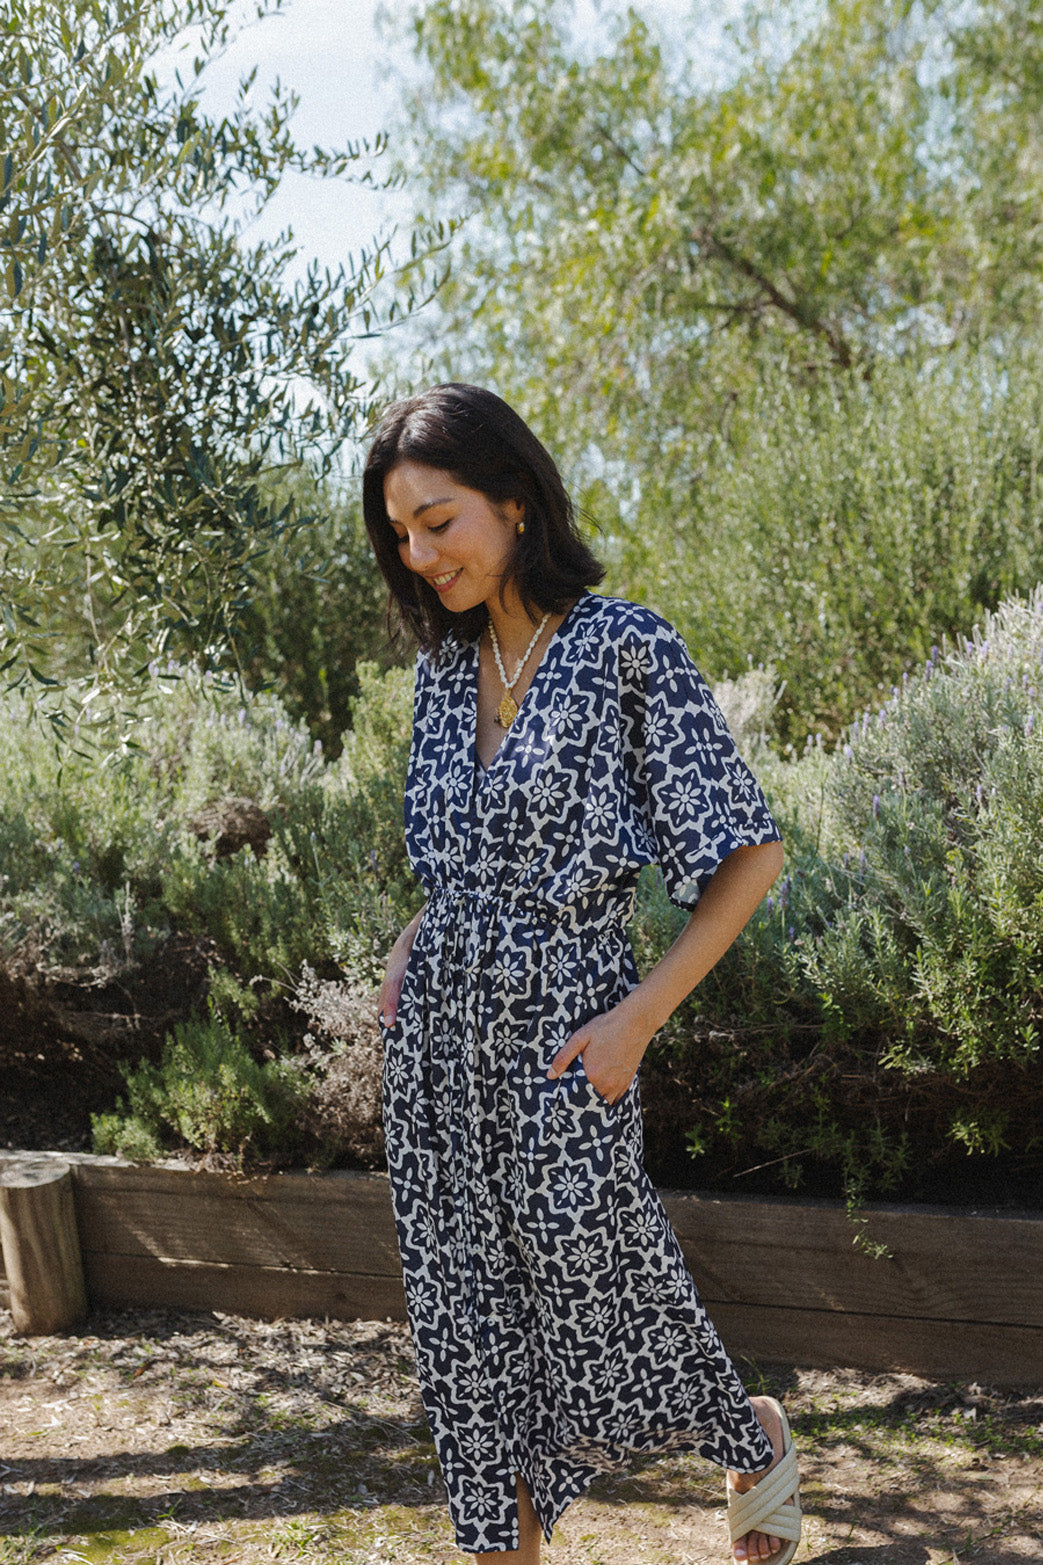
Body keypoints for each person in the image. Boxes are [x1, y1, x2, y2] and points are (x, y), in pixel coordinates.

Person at [364, 383, 802, 1565]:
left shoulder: (623, 647)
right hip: (436, 1052)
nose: (420, 553)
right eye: (401, 532)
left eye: (439, 520)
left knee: (593, 1271)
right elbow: (466, 859)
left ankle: (742, 1430)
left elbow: (748, 853)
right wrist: (420, 931)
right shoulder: (440, 677)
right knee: (462, 1317)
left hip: (567, 1030)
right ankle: (504, 1543)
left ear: (515, 501)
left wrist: (636, 1020)